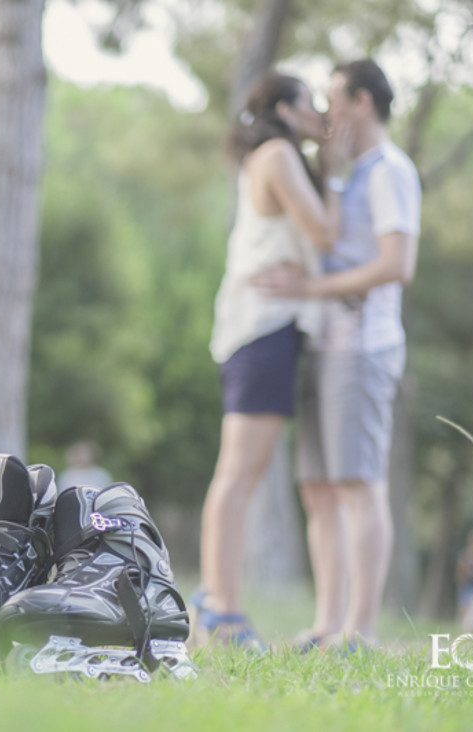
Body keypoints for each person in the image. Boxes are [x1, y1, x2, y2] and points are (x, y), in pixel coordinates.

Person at [253, 59, 422, 651]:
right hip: (321, 345)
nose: (325, 115)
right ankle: (327, 626)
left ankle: (362, 630)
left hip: (363, 349)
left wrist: (308, 289)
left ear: (363, 105)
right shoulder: (349, 176)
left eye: (334, 101)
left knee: (358, 485)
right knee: (319, 490)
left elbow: (397, 266)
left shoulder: (389, 172)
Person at [194, 71, 347, 648]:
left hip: (264, 329)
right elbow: (325, 233)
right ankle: (222, 609)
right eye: (311, 103)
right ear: (285, 109)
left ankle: (217, 602)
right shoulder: (280, 153)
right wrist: (337, 168)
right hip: (262, 329)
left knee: (242, 474)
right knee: (238, 474)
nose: (318, 113)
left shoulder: (274, 154)